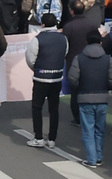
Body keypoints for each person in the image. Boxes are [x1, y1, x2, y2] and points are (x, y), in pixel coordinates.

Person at [70, 30, 110, 166]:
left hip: (85, 98)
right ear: (100, 42)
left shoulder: (79, 58)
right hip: (102, 99)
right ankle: (98, 156)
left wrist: (80, 87)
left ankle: (91, 159)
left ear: (86, 42)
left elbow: (73, 79)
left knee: (88, 130)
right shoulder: (108, 59)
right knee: (100, 129)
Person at [29, 15, 69, 150]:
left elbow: (30, 59)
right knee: (54, 109)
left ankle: (38, 137)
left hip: (41, 78)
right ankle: (52, 139)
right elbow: (64, 54)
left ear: (43, 24)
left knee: (37, 107)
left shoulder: (37, 39)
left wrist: (37, 68)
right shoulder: (63, 38)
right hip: (57, 77)